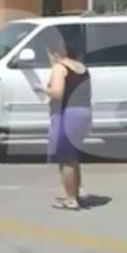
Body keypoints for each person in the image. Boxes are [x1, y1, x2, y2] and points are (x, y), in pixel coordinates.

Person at [36, 37, 92, 211]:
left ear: (56, 53)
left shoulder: (60, 68)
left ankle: (71, 199)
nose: (49, 58)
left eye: (49, 54)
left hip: (67, 115)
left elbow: (58, 93)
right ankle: (76, 194)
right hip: (84, 113)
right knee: (73, 158)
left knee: (65, 159)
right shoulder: (81, 68)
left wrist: (42, 88)